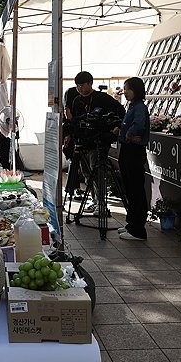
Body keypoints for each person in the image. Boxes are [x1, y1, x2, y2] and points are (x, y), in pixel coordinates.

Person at [62, 71, 126, 198]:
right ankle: (94, 199)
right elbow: (74, 120)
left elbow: (121, 112)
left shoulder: (102, 98)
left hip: (98, 141)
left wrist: (115, 127)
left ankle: (100, 201)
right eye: (77, 86)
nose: (79, 88)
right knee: (86, 173)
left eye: (82, 85)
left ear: (90, 83)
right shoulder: (77, 100)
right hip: (82, 141)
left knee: (96, 172)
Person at [116, 77, 150, 241]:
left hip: (134, 151)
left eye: (127, 88)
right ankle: (131, 224)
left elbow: (138, 125)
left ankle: (138, 230)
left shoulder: (139, 107)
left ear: (136, 89)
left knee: (136, 189)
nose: (125, 92)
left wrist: (129, 134)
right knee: (129, 188)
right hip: (127, 149)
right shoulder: (132, 106)